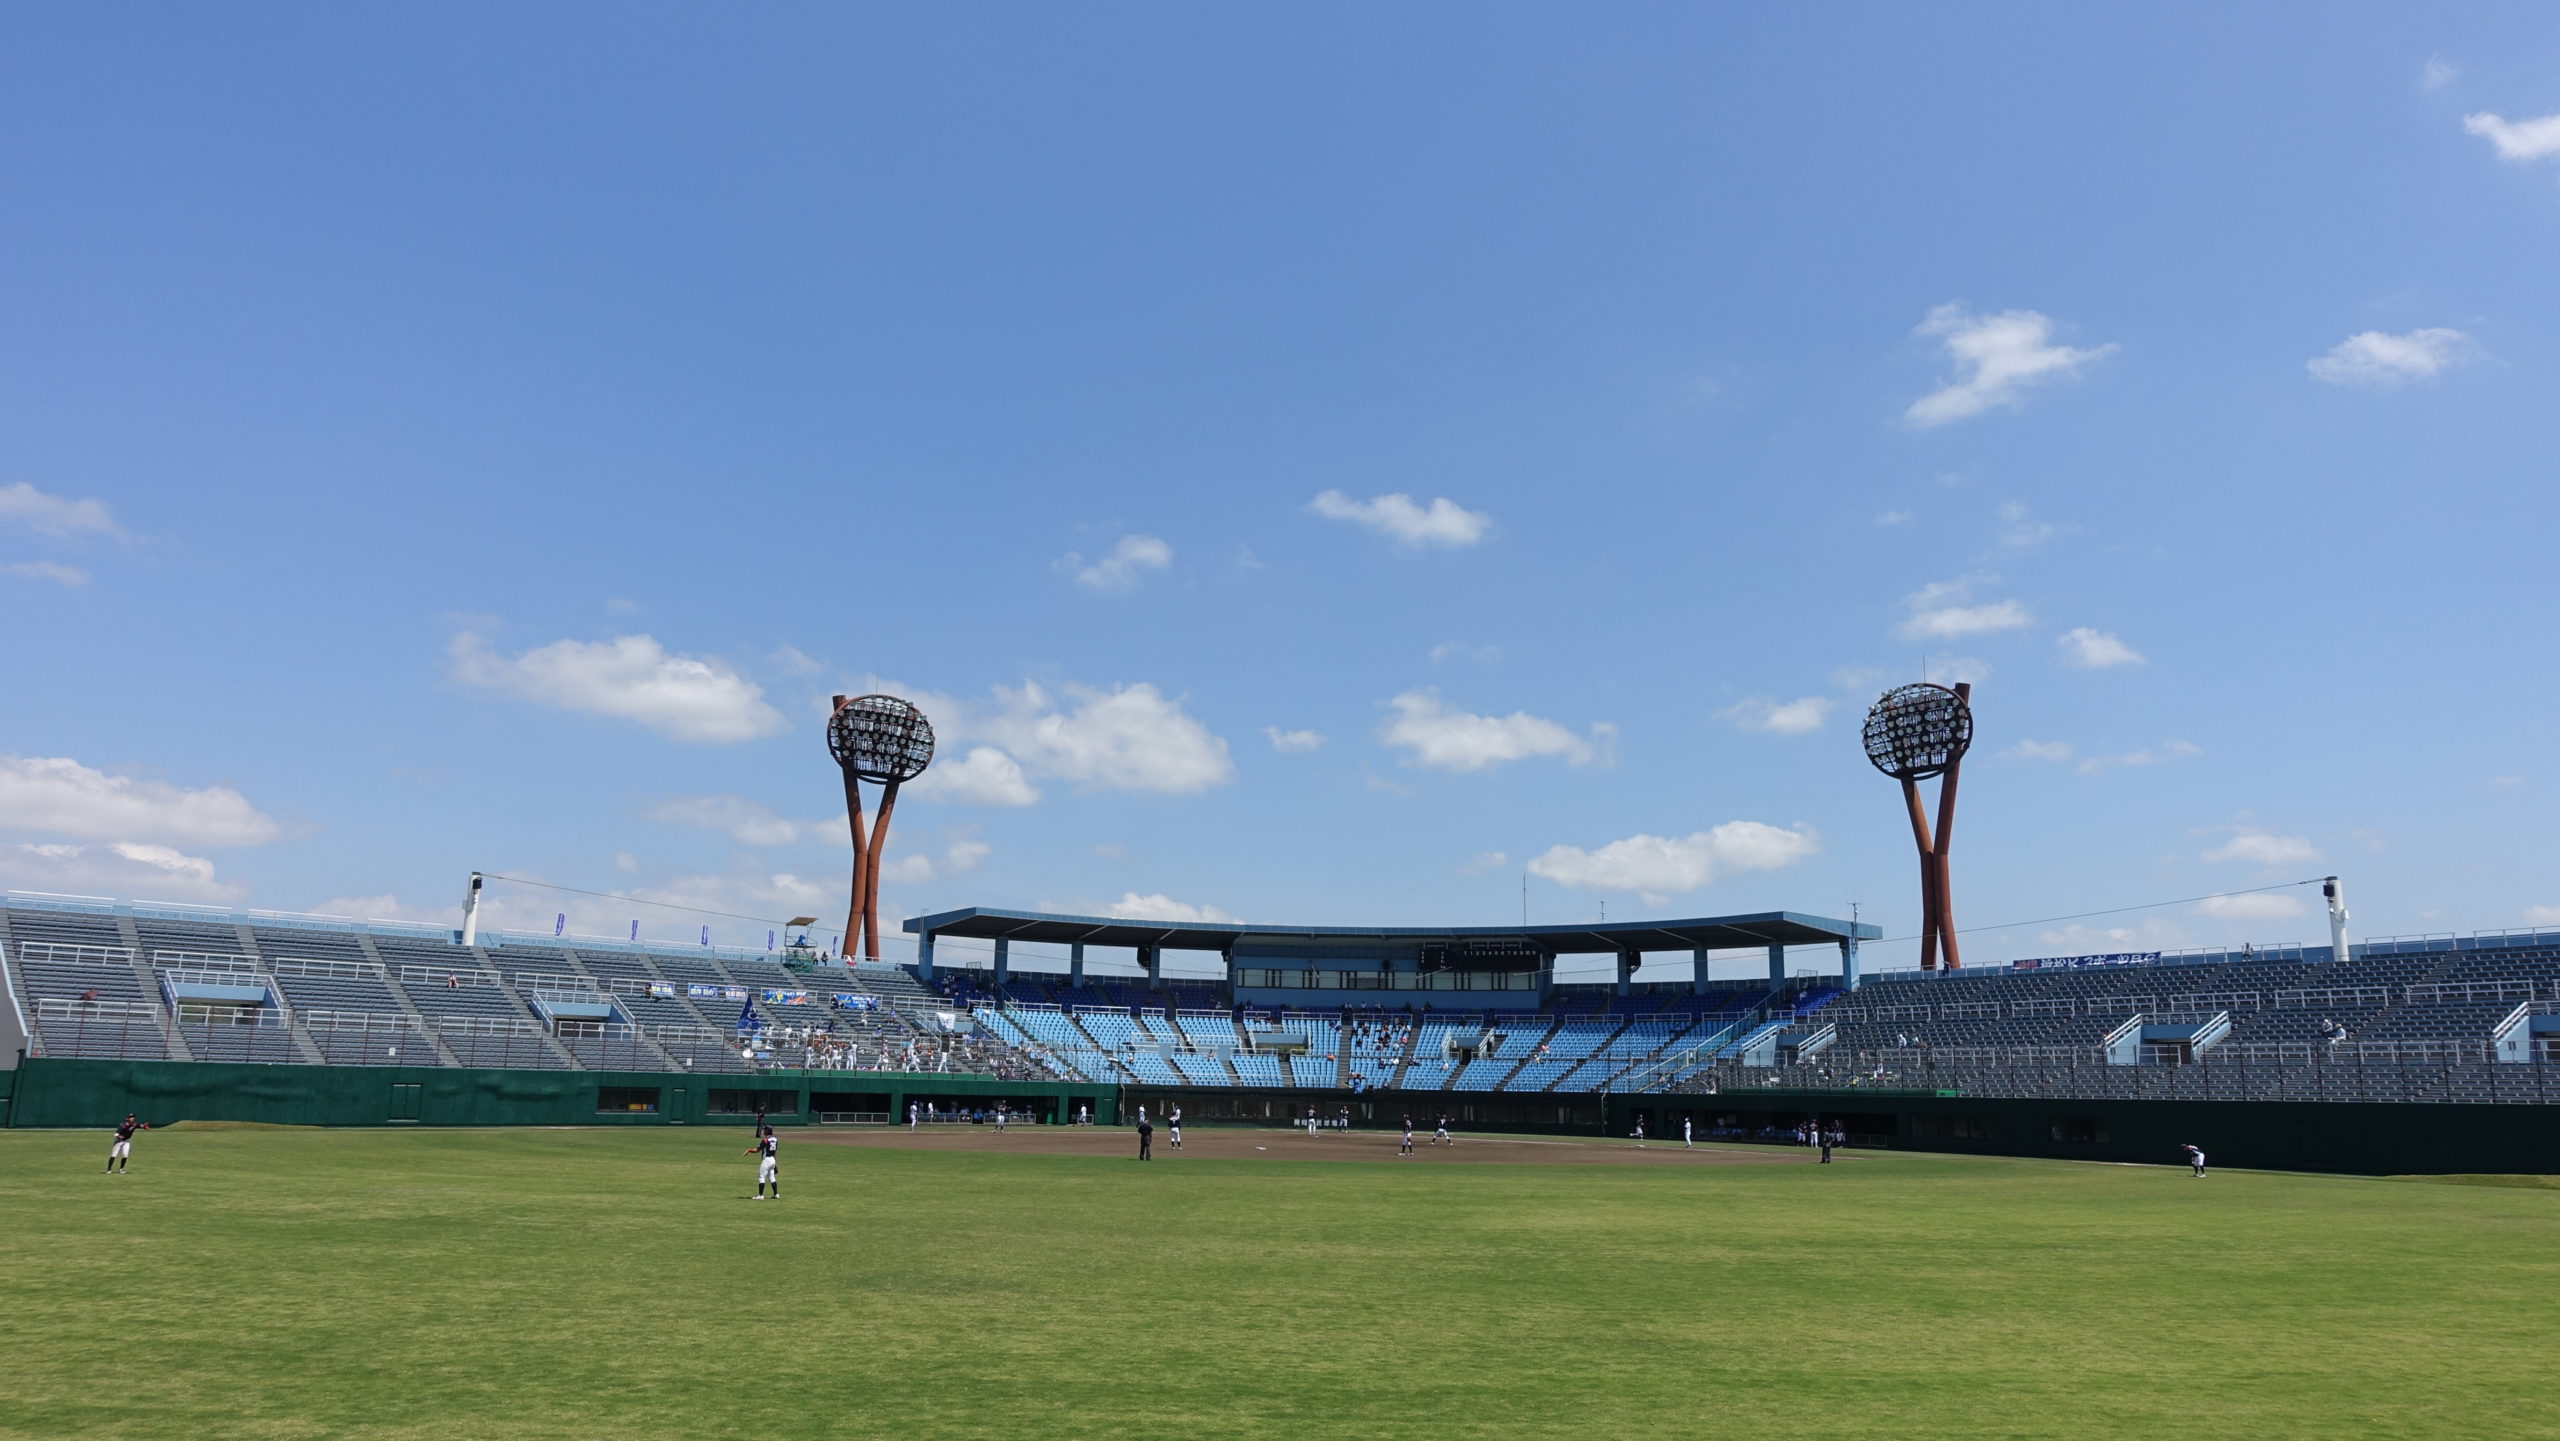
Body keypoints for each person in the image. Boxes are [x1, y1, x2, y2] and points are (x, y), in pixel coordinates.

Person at [743, 1126, 780, 1200]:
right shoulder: (775, 1139)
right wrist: (775, 1165)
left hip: (766, 1160)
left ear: (767, 1131)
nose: (763, 1131)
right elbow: (774, 1152)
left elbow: (757, 1150)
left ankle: (760, 1195)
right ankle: (776, 1194)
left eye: (764, 1130)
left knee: (761, 1177)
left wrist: (748, 1150)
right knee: (772, 1178)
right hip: (772, 1160)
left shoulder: (765, 1140)